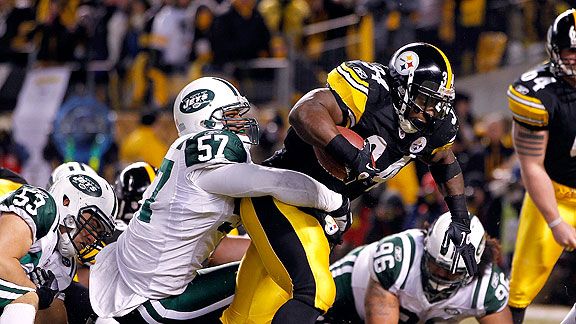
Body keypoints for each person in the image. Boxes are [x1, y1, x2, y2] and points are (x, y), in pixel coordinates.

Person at [222, 42, 476, 323]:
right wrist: (350, 155)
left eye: (439, 103)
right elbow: (304, 112)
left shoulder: (435, 127)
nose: (432, 112)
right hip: (282, 195)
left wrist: (460, 218)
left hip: (319, 210)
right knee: (315, 293)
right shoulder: (372, 91)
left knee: (249, 316)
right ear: (403, 86)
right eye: (426, 100)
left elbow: (445, 162)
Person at [89, 76, 351, 323]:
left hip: (139, 284)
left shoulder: (190, 160)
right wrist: (333, 201)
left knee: (256, 274)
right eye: (231, 116)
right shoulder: (203, 153)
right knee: (264, 283)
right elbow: (275, 182)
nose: (241, 123)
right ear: (205, 123)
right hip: (149, 301)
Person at [506, 8, 576, 323]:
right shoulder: (536, 93)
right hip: (556, 193)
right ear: (555, 50)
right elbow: (532, 165)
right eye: (572, 51)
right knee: (520, 288)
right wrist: (554, 222)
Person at [323, 212, 512, 323]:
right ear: (426, 246)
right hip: (346, 296)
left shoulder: (487, 288)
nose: (442, 275)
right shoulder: (399, 260)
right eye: (437, 265)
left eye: (453, 272)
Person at [0, 170, 116, 324]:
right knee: (28, 298)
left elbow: (55, 316)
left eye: (99, 233)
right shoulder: (43, 205)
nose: (92, 237)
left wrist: (45, 299)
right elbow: (2, 258)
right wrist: (34, 289)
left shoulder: (65, 263)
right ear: (67, 201)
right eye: (93, 225)